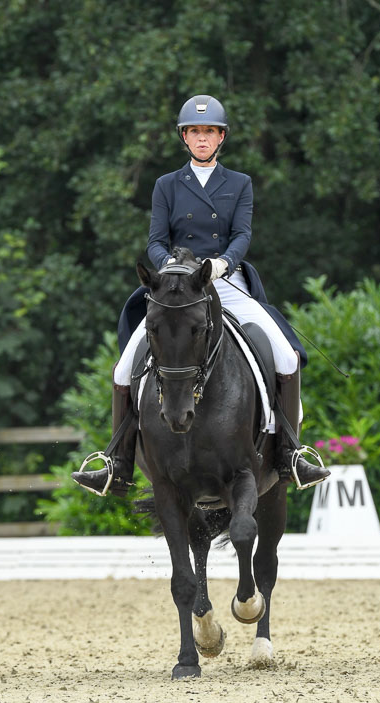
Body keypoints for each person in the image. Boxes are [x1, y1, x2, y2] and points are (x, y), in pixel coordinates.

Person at [72, 94, 329, 496]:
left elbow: (243, 234)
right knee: (123, 369)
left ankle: (290, 453)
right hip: (178, 288)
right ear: (185, 137)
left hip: (226, 281)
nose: (202, 138)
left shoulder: (239, 183)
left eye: (209, 131)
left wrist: (224, 263)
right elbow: (156, 241)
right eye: (195, 131)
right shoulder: (166, 185)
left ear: (221, 137)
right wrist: (172, 268)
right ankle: (117, 464)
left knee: (286, 355)